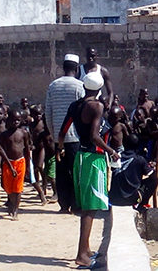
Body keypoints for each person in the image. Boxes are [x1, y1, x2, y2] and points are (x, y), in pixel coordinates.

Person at [57, 73, 119, 268]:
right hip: (94, 159)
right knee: (90, 208)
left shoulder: (75, 106)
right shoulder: (97, 106)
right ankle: (81, 254)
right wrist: (111, 151)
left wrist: (59, 149)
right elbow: (94, 136)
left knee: (86, 205)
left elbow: (62, 131)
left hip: (80, 158)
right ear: (99, 89)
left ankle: (85, 248)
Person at [45, 53, 85, 213]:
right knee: (75, 171)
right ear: (76, 68)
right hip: (75, 137)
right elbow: (83, 113)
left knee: (61, 172)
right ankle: (75, 205)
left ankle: (63, 204)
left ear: (63, 67)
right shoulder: (80, 86)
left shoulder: (53, 86)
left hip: (58, 139)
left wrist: (54, 134)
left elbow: (48, 113)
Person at [109, 134, 158, 213]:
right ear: (138, 146)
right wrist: (150, 167)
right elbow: (153, 177)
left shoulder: (116, 157)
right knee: (154, 180)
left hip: (113, 198)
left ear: (124, 144)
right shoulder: (140, 159)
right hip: (131, 199)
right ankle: (142, 204)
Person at [0, 109, 30, 220]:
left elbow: (27, 149)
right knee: (8, 187)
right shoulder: (4, 135)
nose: (15, 122)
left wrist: (28, 166)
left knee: (18, 188)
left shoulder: (23, 133)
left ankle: (15, 210)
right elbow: (1, 151)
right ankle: (11, 204)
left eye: (18, 120)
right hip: (8, 163)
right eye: (13, 120)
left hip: (20, 162)